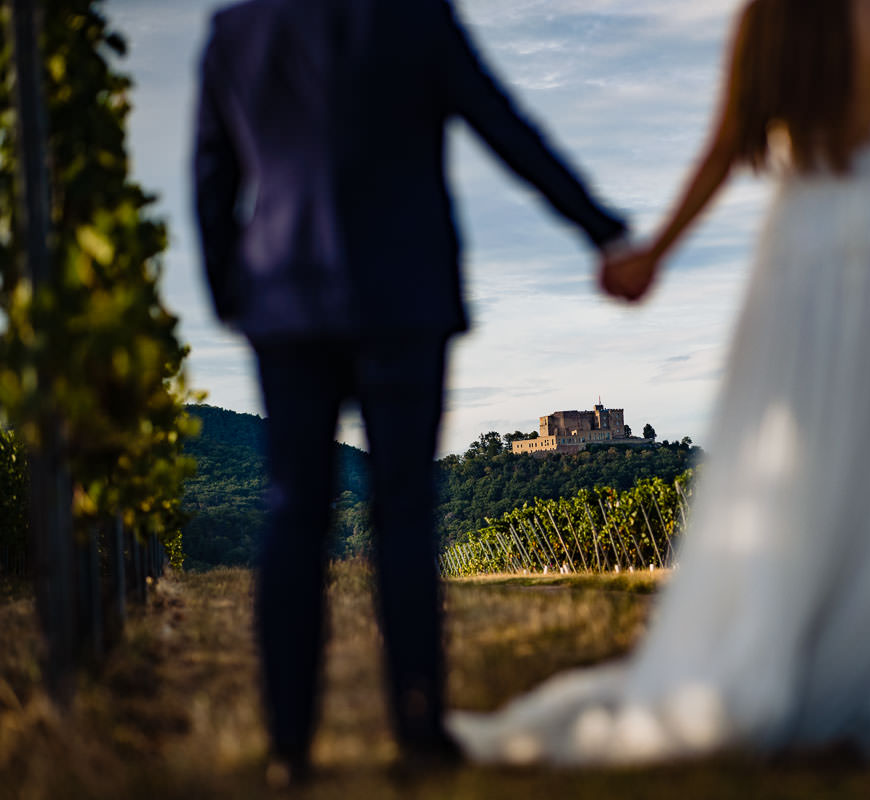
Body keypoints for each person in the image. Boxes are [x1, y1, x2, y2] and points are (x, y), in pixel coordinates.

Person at [450, 0, 870, 764]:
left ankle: (796, 666)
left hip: (805, 241)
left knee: (797, 459)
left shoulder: (770, 15)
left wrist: (652, 255)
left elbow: (721, 151)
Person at [192, 0, 627, 785]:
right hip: (404, 292)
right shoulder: (413, 17)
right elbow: (506, 130)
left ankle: (289, 745)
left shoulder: (237, 30)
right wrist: (600, 229)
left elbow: (211, 177)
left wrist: (233, 293)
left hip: (285, 300)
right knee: (404, 512)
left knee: (293, 511)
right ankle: (418, 728)